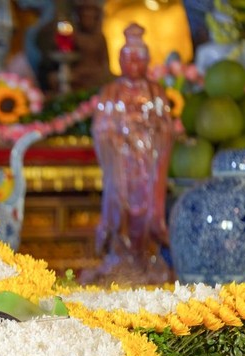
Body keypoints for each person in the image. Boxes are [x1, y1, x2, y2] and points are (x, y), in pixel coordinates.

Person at [83, 23, 173, 285]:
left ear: (147, 61)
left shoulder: (156, 93)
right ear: (120, 61)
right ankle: (119, 258)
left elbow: (167, 127)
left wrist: (147, 131)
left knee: (148, 210)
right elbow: (100, 128)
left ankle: (146, 257)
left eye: (139, 59)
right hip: (121, 164)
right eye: (129, 59)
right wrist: (118, 137)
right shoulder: (111, 92)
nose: (134, 65)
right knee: (119, 207)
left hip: (147, 165)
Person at [71, 0, 112, 90]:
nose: (87, 21)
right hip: (79, 73)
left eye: (90, 17)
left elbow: (105, 62)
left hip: (96, 74)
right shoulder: (75, 37)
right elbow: (67, 58)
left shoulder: (100, 38)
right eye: (84, 17)